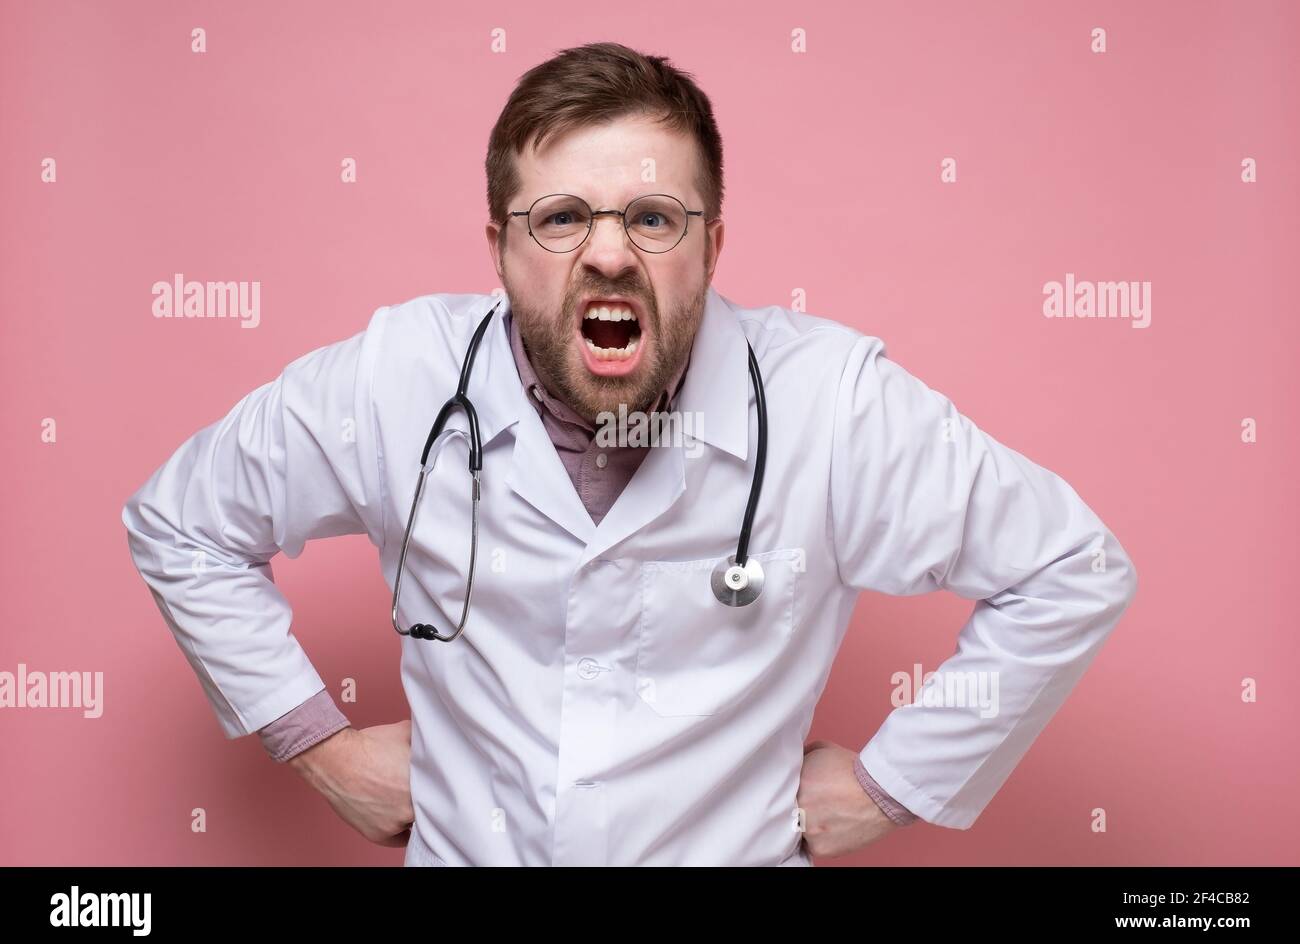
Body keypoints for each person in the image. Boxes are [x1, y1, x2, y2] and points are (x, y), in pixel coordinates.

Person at [121, 41, 1137, 866]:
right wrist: (316, 739)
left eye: (653, 217)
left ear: (713, 245)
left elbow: (1070, 567)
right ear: (499, 247)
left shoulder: (831, 405)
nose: (608, 252)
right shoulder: (395, 380)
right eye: (561, 217)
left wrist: (894, 782)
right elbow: (181, 521)